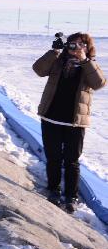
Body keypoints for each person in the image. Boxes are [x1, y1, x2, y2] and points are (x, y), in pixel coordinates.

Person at [33, 33, 106, 213]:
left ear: (88, 48)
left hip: (76, 122)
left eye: (82, 45)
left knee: (72, 160)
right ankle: (53, 190)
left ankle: (71, 196)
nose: (76, 48)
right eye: (73, 44)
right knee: (54, 158)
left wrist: (84, 61)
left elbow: (98, 83)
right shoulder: (58, 60)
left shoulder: (90, 65)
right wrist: (54, 51)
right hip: (51, 117)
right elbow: (38, 69)